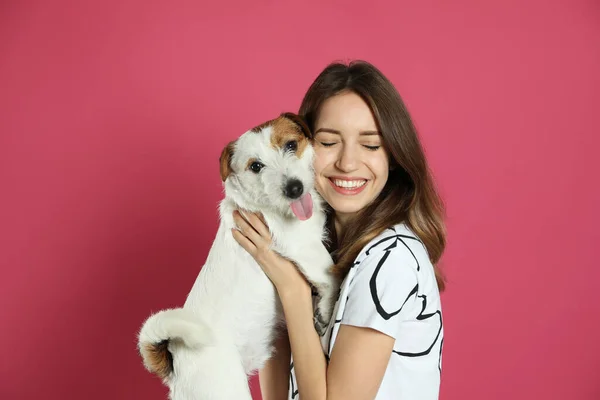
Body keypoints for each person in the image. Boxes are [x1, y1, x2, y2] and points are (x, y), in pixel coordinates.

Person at [231, 60, 446, 400]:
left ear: (393, 155)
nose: (347, 163)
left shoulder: (390, 260)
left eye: (371, 145)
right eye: (329, 142)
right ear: (302, 148)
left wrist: (292, 289)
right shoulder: (319, 250)